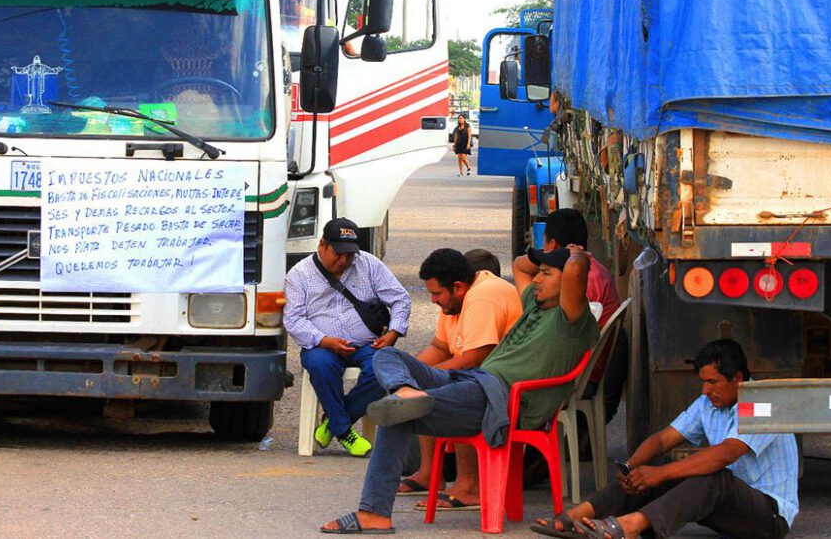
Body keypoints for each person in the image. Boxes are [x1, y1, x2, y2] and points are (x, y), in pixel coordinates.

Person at [319, 245, 598, 534]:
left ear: (568, 284)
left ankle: (374, 513)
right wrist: (549, 256)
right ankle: (404, 390)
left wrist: (576, 255)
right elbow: (519, 265)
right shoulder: (536, 305)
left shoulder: (571, 320)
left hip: (499, 399)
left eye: (547, 273)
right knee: (387, 356)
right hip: (474, 381)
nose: (536, 279)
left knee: (395, 415)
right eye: (539, 273)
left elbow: (574, 272)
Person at [532, 339, 798, 539]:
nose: (706, 390)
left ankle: (629, 525)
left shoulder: (766, 403)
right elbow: (662, 439)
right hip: (727, 506)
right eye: (703, 382)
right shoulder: (709, 402)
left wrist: (660, 474)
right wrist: (632, 467)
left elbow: (725, 454)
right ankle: (578, 515)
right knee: (650, 470)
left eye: (713, 382)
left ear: (738, 379)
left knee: (708, 474)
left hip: (769, 517)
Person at [394, 248, 522, 509]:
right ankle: (430, 474)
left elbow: (475, 357)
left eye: (436, 294)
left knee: (454, 389)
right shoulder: (454, 300)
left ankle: (470, 486)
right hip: (484, 377)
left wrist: (431, 377)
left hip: (508, 386)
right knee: (418, 384)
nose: (432, 301)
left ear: (459, 287)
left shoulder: (484, 297)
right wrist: (408, 371)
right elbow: (440, 348)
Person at [284, 217, 411, 457]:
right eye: (338, 253)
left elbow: (400, 298)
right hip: (322, 345)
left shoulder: (369, 265)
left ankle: (333, 424)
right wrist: (323, 340)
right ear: (322, 245)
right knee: (320, 365)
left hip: (365, 344)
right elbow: (293, 319)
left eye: (349, 255)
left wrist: (394, 331)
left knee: (385, 368)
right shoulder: (299, 275)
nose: (344, 261)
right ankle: (345, 431)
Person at [541, 208, 622, 419]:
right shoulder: (590, 268)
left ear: (554, 245)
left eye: (544, 243)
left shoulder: (582, 278)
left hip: (582, 375)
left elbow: (568, 342)